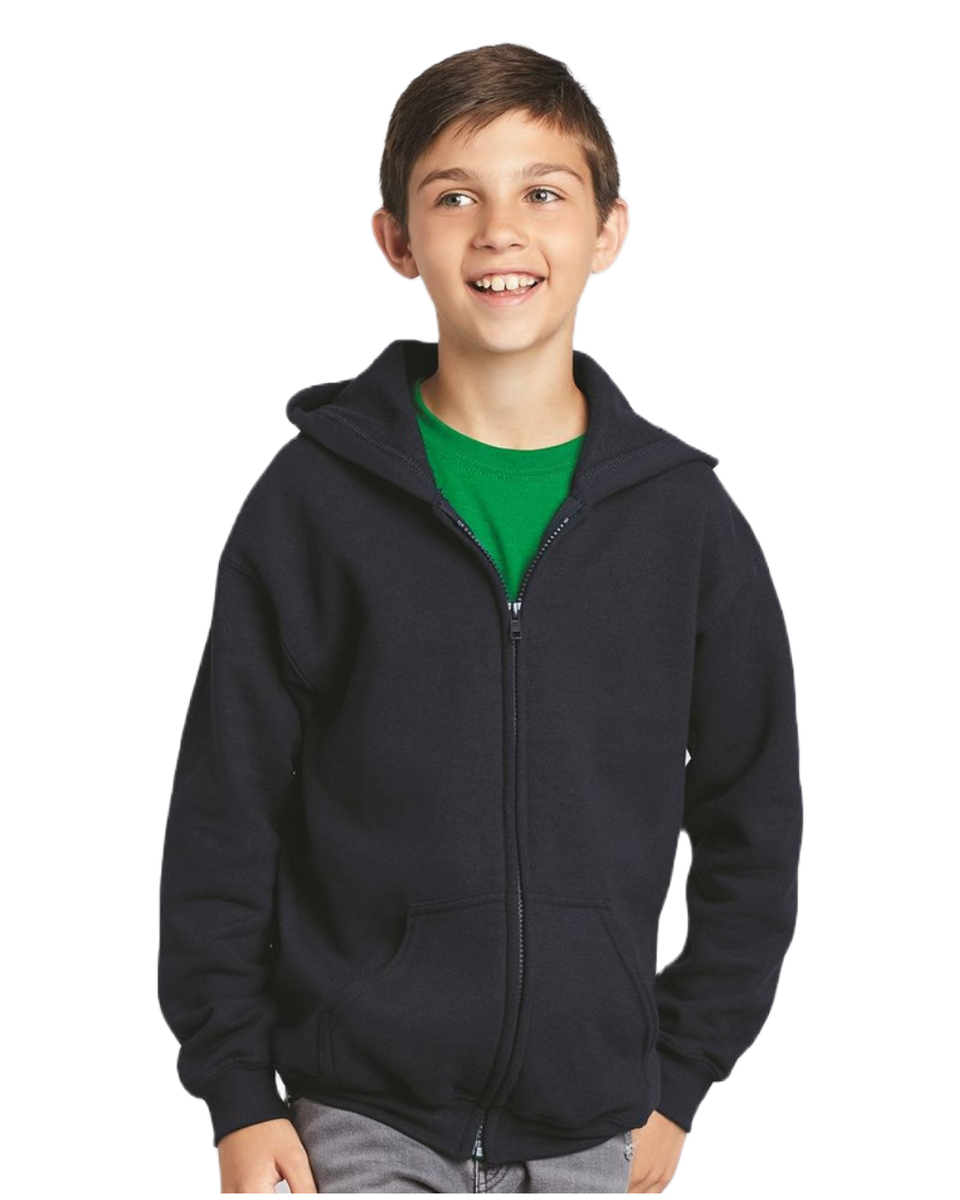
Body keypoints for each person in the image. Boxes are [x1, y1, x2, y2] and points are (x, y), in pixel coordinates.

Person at [158, 41, 804, 1195]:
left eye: (543, 194)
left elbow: (753, 817)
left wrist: (683, 1073)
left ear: (607, 230)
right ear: (397, 239)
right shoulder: (314, 504)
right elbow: (226, 810)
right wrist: (237, 1090)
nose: (501, 231)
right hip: (358, 1115)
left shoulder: (684, 521)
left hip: (594, 1123)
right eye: (455, 197)